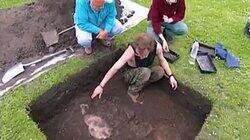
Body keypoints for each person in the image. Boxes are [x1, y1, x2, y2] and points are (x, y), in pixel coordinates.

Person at [91, 33, 178, 103]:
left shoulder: (156, 46)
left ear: (149, 49)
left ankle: (141, 84)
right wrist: (101, 85)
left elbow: (162, 60)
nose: (138, 55)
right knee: (146, 72)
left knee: (160, 71)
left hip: (144, 70)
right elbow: (115, 67)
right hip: (129, 73)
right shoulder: (131, 50)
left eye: (141, 54)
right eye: (137, 53)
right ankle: (132, 91)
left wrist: (171, 76)